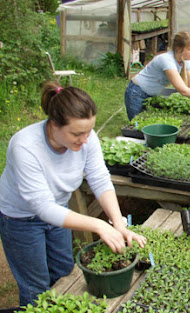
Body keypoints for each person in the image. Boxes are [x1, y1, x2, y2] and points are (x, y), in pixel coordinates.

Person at [0, 82, 147, 306]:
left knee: (63, 272)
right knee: (36, 287)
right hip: (21, 219)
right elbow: (42, 207)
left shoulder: (86, 139)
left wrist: (118, 222)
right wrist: (99, 226)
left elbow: (99, 178)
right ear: (54, 124)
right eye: (77, 133)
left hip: (59, 212)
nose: (85, 140)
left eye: (89, 131)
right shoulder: (25, 146)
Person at [124, 31, 190, 120]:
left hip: (152, 94)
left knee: (148, 123)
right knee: (137, 125)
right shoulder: (167, 61)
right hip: (137, 93)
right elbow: (183, 90)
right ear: (179, 49)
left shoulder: (186, 61)